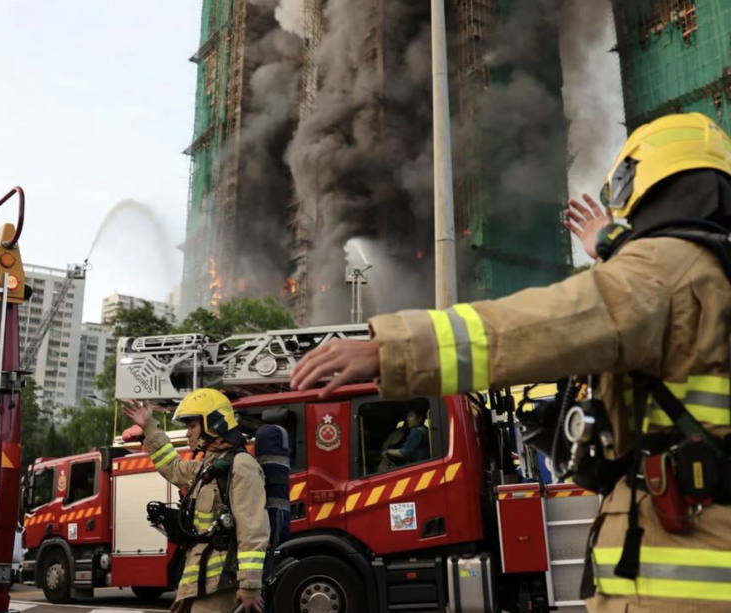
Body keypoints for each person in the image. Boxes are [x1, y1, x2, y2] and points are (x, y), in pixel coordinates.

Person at [291, 112, 731, 613]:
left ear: (637, 181)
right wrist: (611, 250)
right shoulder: (706, 270)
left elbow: (540, 326)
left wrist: (391, 349)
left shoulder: (664, 270)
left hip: (677, 578)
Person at [124, 388, 270, 613]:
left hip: (222, 587)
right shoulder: (207, 468)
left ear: (214, 424)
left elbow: (252, 530)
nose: (187, 434)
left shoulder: (241, 466)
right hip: (198, 584)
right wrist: (149, 426)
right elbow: (171, 466)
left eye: (192, 426)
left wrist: (250, 586)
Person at [378, 408, 430, 472]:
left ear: (419, 418)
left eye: (411, 416)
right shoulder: (425, 429)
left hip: (417, 465)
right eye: (407, 416)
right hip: (424, 463)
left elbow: (404, 453)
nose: (407, 419)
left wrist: (388, 451)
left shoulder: (417, 432)